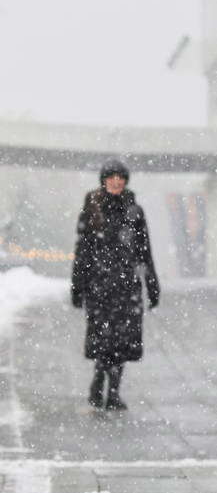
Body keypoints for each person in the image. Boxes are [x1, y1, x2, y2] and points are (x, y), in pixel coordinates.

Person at [71, 159, 159, 410]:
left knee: (122, 341)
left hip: (127, 286)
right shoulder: (91, 210)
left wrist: (152, 284)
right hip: (98, 285)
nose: (116, 181)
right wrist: (78, 285)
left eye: (120, 177)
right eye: (111, 177)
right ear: (104, 180)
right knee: (103, 339)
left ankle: (114, 391)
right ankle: (99, 380)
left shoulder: (135, 211)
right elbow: (83, 252)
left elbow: (145, 251)